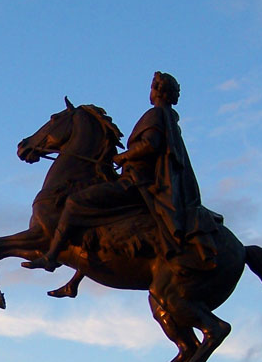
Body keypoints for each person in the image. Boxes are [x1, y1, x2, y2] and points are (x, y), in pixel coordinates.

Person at [25, 71, 218, 272]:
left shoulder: (156, 114)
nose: (150, 92)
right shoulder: (169, 118)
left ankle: (52, 256)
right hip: (143, 179)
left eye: (152, 87)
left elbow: (150, 145)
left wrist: (123, 157)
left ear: (156, 91)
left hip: (136, 181)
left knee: (75, 202)